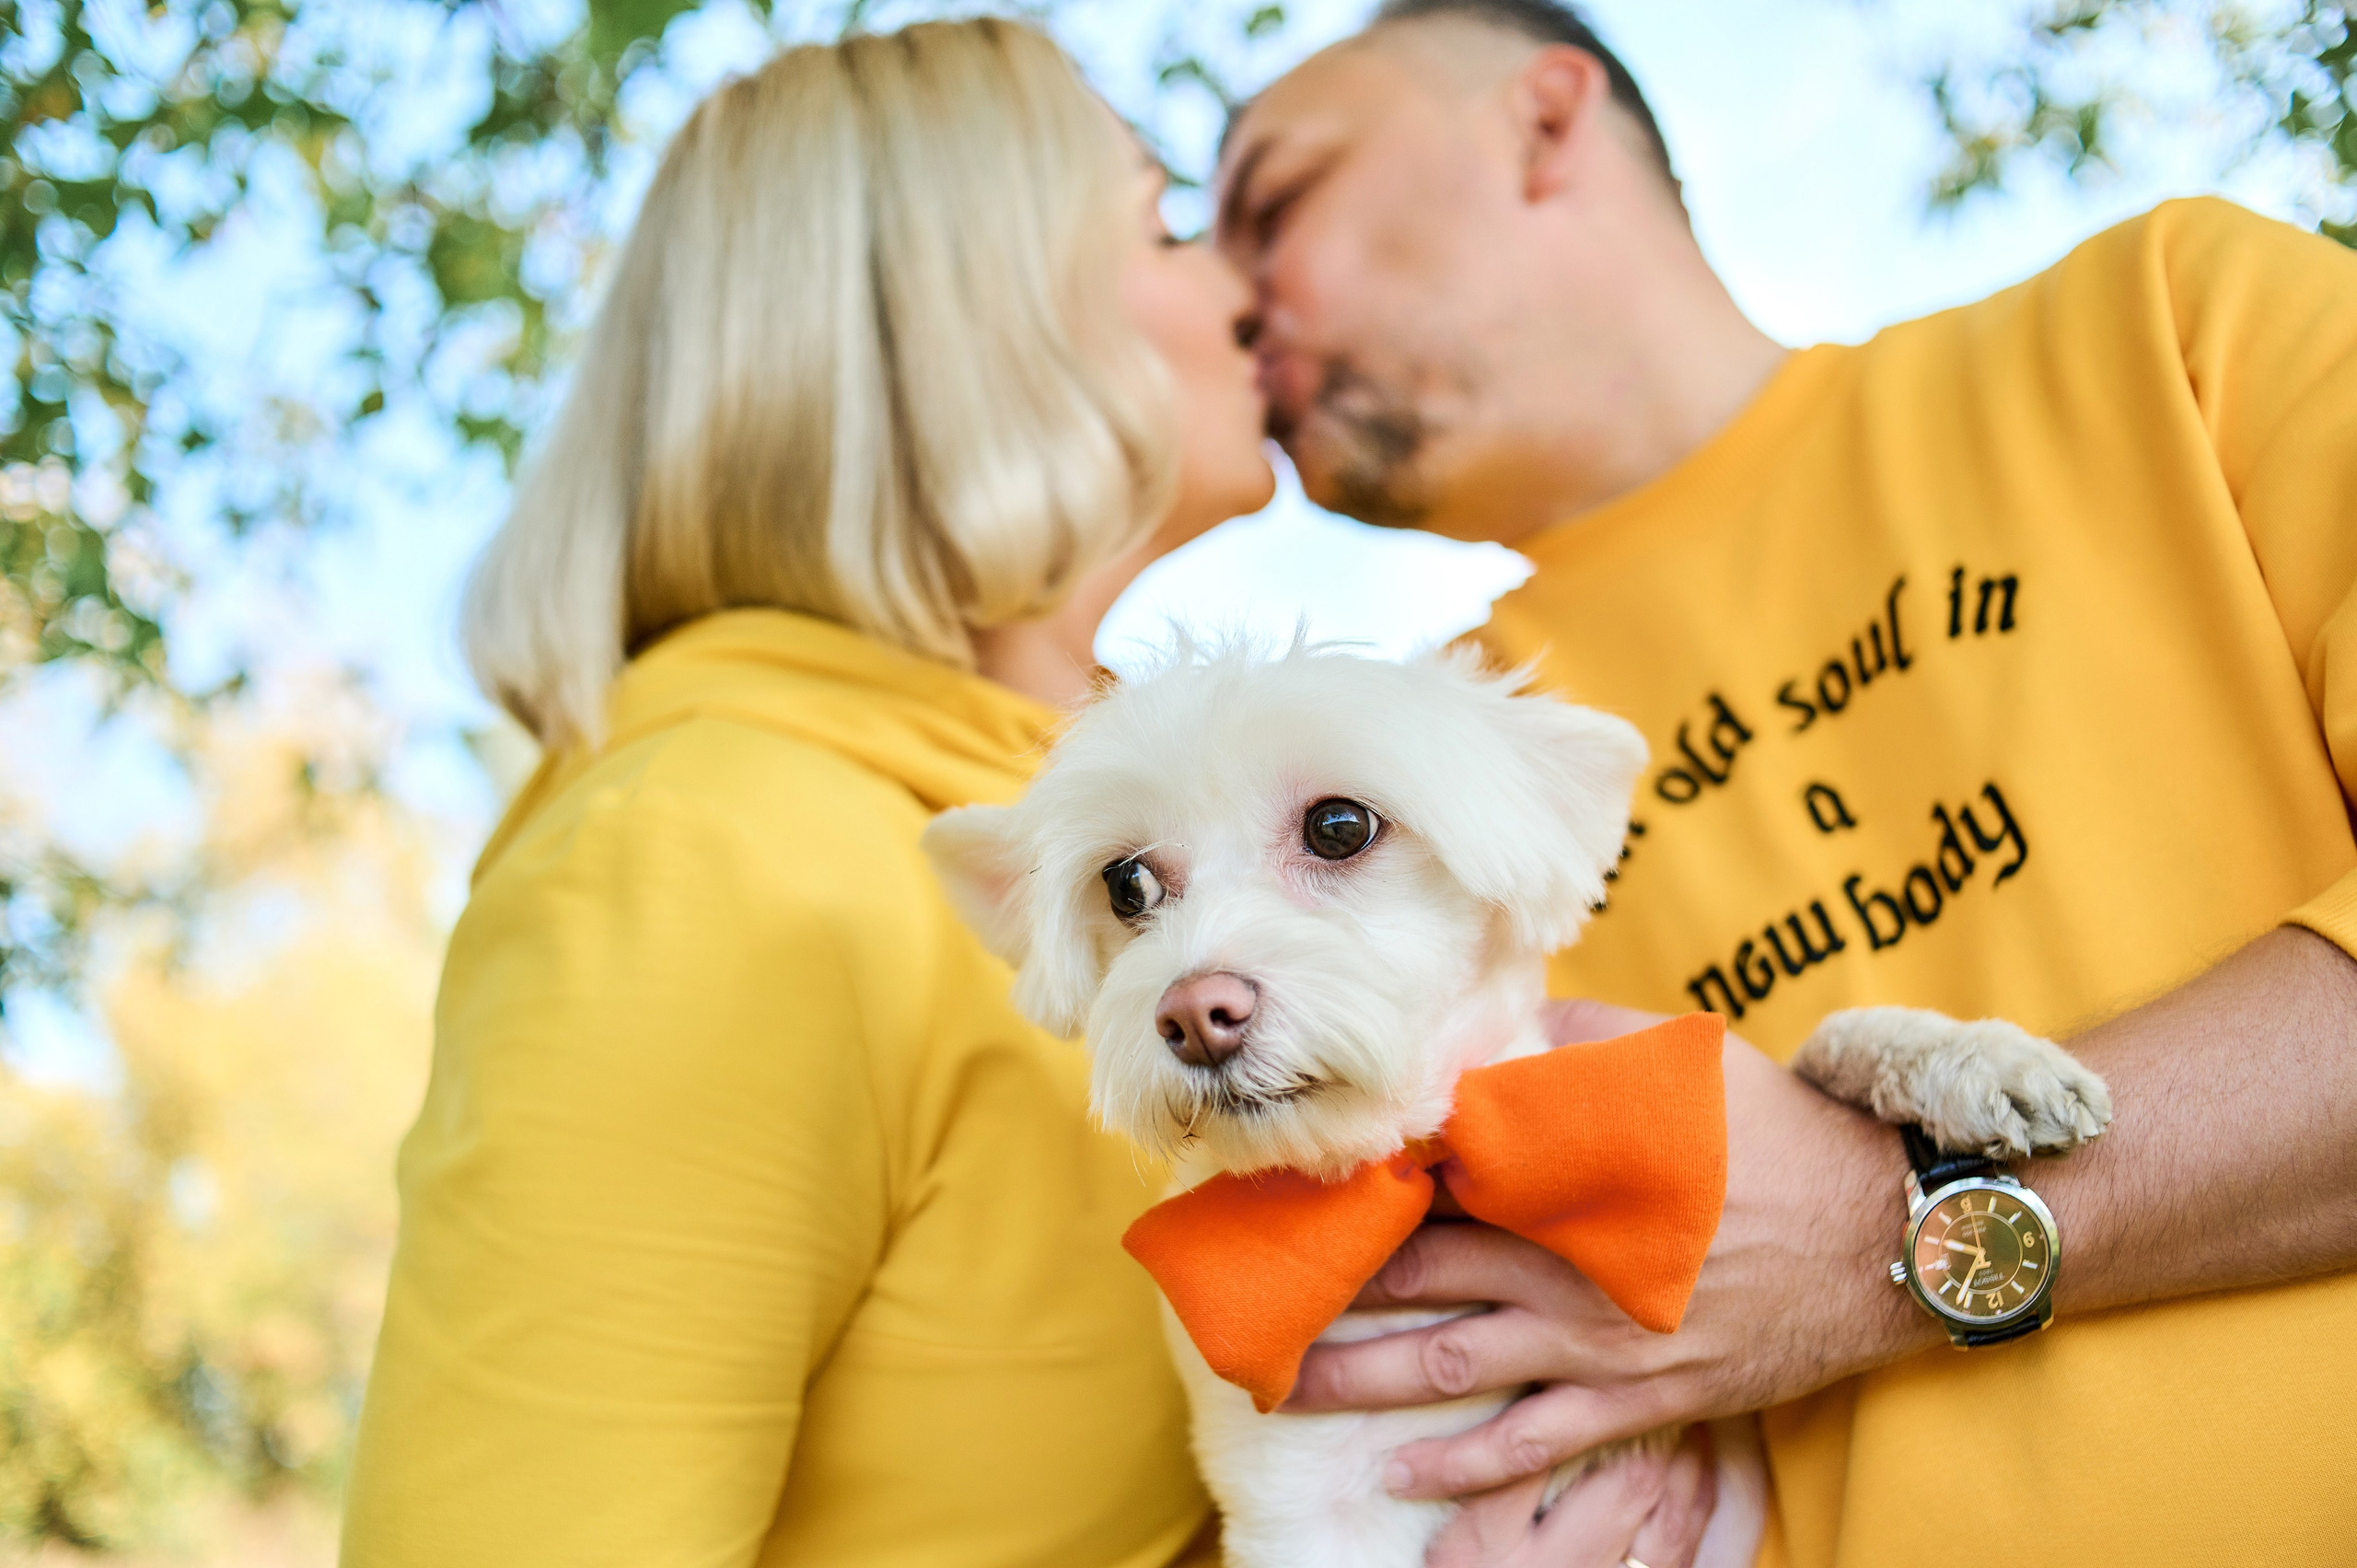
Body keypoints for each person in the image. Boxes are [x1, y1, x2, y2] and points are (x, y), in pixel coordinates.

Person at [1211, 2, 2357, 1565]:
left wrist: (1884, 1231)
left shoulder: (2173, 322)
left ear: (1544, 126)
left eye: (1274, 204)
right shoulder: (1344, 796)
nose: (1226, 300)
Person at [338, 21, 1279, 1565]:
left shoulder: (1134, 858)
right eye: (1162, 227)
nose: (1242, 287)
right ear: (973, 319)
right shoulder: (706, 861)